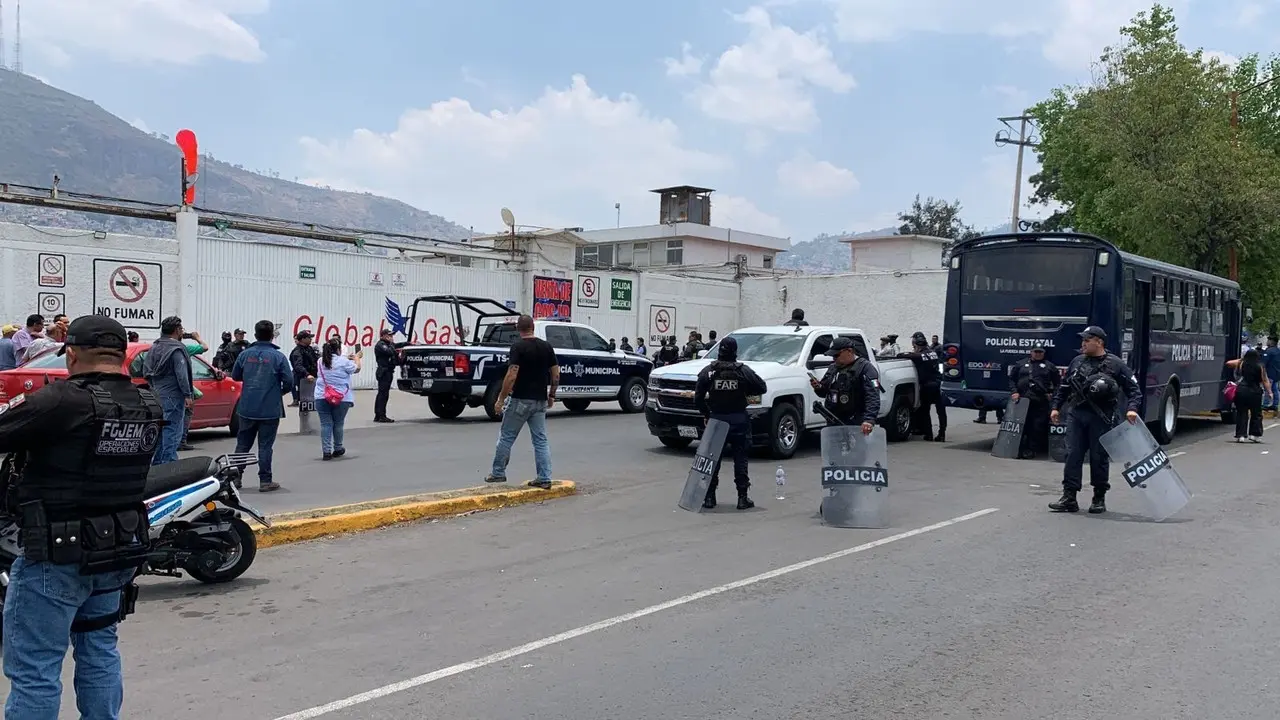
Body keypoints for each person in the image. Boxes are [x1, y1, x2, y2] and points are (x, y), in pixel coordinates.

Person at [0, 315, 163, 720]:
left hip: (56, 555)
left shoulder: (60, 400)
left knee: (35, 670)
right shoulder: (148, 401)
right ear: (122, 355)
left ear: (71, 354)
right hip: (116, 550)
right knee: (99, 649)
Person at [1048, 326, 1142, 514]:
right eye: (1082, 340)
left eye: (1086, 340)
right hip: (1077, 414)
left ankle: (1099, 497)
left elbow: (1134, 390)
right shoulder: (1077, 361)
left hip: (1101, 417)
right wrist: (1055, 407)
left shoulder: (1115, 364)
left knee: (1098, 457)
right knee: (1072, 454)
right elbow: (1064, 386)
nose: (1082, 344)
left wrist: (1132, 410)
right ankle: (1069, 497)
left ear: (1099, 342)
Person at [693, 337, 767, 510]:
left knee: (712, 460)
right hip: (738, 419)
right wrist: (746, 393)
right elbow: (761, 387)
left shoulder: (708, 372)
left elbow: (697, 398)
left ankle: (709, 498)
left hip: (717, 419)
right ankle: (743, 498)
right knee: (740, 458)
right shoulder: (743, 371)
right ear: (735, 351)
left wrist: (706, 413)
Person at [486, 315, 557, 488]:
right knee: (540, 440)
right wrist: (551, 395)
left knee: (506, 437)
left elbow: (511, 375)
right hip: (540, 401)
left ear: (518, 329)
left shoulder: (518, 347)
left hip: (520, 400)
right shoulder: (546, 346)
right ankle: (544, 477)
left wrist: (500, 400)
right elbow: (556, 374)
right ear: (533, 327)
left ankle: (498, 473)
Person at [231, 320, 294, 492]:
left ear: (255, 334)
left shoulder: (245, 355)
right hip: (269, 409)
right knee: (265, 446)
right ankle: (265, 481)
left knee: (242, 444)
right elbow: (289, 382)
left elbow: (236, 376)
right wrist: (278, 393)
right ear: (272, 335)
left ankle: (235, 478)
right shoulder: (278, 357)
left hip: (247, 407)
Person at [142, 316, 193, 465]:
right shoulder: (176, 349)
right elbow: (181, 375)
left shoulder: (154, 347)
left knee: (159, 432)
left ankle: (157, 464)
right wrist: (188, 395)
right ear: (177, 330)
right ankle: (169, 464)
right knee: (172, 432)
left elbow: (146, 371)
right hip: (173, 396)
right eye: (181, 329)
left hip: (156, 395)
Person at [811, 336, 881, 432]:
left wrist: (869, 420)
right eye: (833, 356)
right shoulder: (833, 368)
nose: (834, 358)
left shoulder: (866, 368)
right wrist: (818, 387)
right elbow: (824, 393)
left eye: (836, 355)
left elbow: (873, 396)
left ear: (849, 351)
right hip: (834, 420)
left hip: (856, 421)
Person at [1009, 345, 1060, 459]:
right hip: (1022, 400)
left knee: (1036, 427)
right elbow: (1012, 379)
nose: (1038, 354)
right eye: (1035, 352)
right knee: (1021, 426)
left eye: (1040, 352)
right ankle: (1017, 449)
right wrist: (1014, 392)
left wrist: (1053, 394)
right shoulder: (1020, 364)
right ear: (1031, 352)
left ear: (1044, 353)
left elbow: (1058, 383)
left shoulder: (1049, 366)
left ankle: (1032, 450)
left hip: (1040, 400)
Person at [315, 337, 362, 459]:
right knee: (338, 423)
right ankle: (338, 448)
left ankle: (326, 451)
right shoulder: (343, 361)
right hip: (341, 397)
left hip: (321, 395)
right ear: (338, 349)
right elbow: (356, 369)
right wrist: (357, 358)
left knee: (325, 424)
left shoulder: (320, 361)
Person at [900, 333, 946, 442]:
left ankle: (929, 434)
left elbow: (902, 355)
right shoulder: (933, 353)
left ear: (917, 345)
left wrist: (909, 353)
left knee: (925, 410)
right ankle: (942, 433)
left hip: (927, 386)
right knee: (941, 410)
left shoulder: (918, 356)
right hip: (939, 384)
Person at [1227, 350, 1270, 442]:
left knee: (1242, 413)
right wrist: (1270, 392)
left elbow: (1228, 363)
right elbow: (1265, 380)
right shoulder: (1260, 366)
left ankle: (1241, 435)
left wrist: (1242, 359)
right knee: (1256, 413)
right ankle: (1254, 434)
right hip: (1255, 391)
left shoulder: (1241, 363)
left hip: (1241, 390)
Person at [177, 331, 210, 452]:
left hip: (165, 388)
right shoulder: (185, 348)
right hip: (183, 387)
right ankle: (181, 441)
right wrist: (196, 337)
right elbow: (205, 347)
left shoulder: (158, 347)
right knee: (186, 413)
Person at [371, 329, 398, 423]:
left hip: (388, 371)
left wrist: (409, 343)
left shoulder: (389, 344)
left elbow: (397, 346)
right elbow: (390, 352)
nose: (391, 337)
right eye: (388, 335)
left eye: (391, 336)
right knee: (383, 394)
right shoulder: (381, 345)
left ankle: (379, 415)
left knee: (383, 394)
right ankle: (381, 415)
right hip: (383, 372)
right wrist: (392, 345)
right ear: (383, 336)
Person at [288, 330, 319, 408]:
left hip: (313, 378)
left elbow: (316, 360)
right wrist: (307, 374)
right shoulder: (297, 351)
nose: (311, 339)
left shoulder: (309, 349)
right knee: (307, 403)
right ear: (303, 339)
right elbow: (298, 366)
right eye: (309, 338)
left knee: (314, 402)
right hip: (304, 380)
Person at [1263, 338, 1280, 415]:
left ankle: (1266, 404)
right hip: (1277, 373)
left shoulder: (1269, 351)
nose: (1267, 342)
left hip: (1269, 373)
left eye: (1268, 340)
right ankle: (1275, 404)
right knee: (1275, 389)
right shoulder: (1278, 351)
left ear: (1271, 342)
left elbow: (1263, 363)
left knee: (1267, 388)